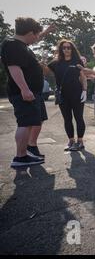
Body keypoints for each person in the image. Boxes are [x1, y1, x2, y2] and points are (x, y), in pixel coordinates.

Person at [0, 17, 54, 167]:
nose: (37, 38)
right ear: (29, 33)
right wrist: (25, 89)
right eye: (36, 35)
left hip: (31, 92)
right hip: (23, 93)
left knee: (30, 122)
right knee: (25, 123)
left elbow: (34, 39)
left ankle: (25, 152)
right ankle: (20, 157)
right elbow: (14, 68)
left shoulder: (19, 45)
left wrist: (45, 32)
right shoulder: (13, 46)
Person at [42, 40, 87, 151]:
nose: (66, 49)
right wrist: (43, 61)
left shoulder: (77, 61)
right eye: (64, 48)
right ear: (61, 49)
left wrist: (85, 90)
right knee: (67, 119)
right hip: (62, 95)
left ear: (72, 49)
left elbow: (83, 76)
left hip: (77, 93)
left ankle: (80, 141)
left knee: (79, 118)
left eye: (69, 47)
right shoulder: (56, 62)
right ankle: (71, 140)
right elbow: (45, 72)